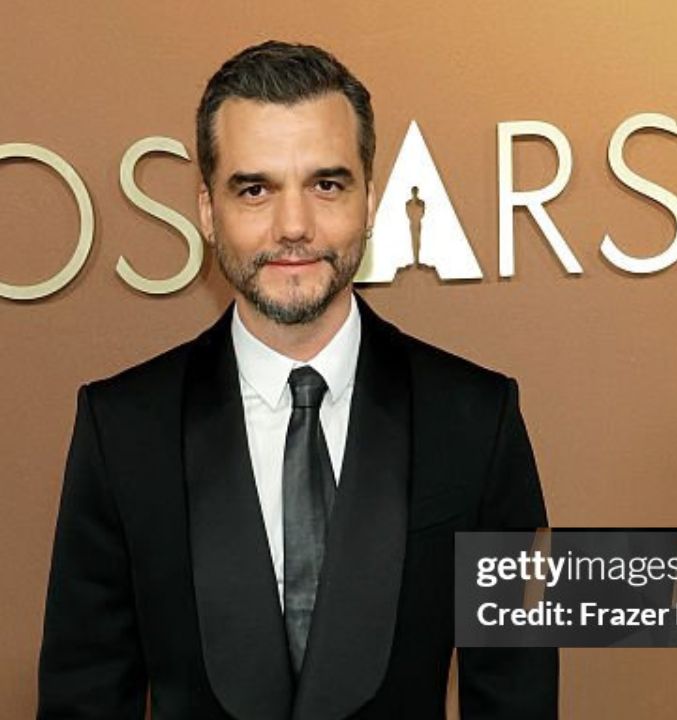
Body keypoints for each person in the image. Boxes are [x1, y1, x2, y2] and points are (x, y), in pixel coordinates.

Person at [37, 40, 557, 720]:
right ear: (205, 207)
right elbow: (84, 697)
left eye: (326, 184)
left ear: (371, 198)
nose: (293, 227)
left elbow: (519, 694)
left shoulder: (479, 417)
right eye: (255, 189)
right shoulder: (121, 428)